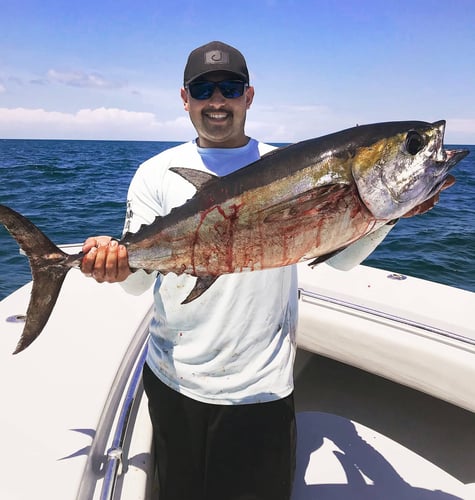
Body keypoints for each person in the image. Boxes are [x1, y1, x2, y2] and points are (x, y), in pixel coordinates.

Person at [80, 41, 454, 500]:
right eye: (204, 89)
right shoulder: (154, 175)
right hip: (173, 379)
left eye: (229, 87)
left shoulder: (289, 164)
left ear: (248, 96)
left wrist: (389, 215)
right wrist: (113, 265)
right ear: (185, 99)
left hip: (260, 387)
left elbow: (340, 261)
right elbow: (138, 284)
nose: (217, 100)